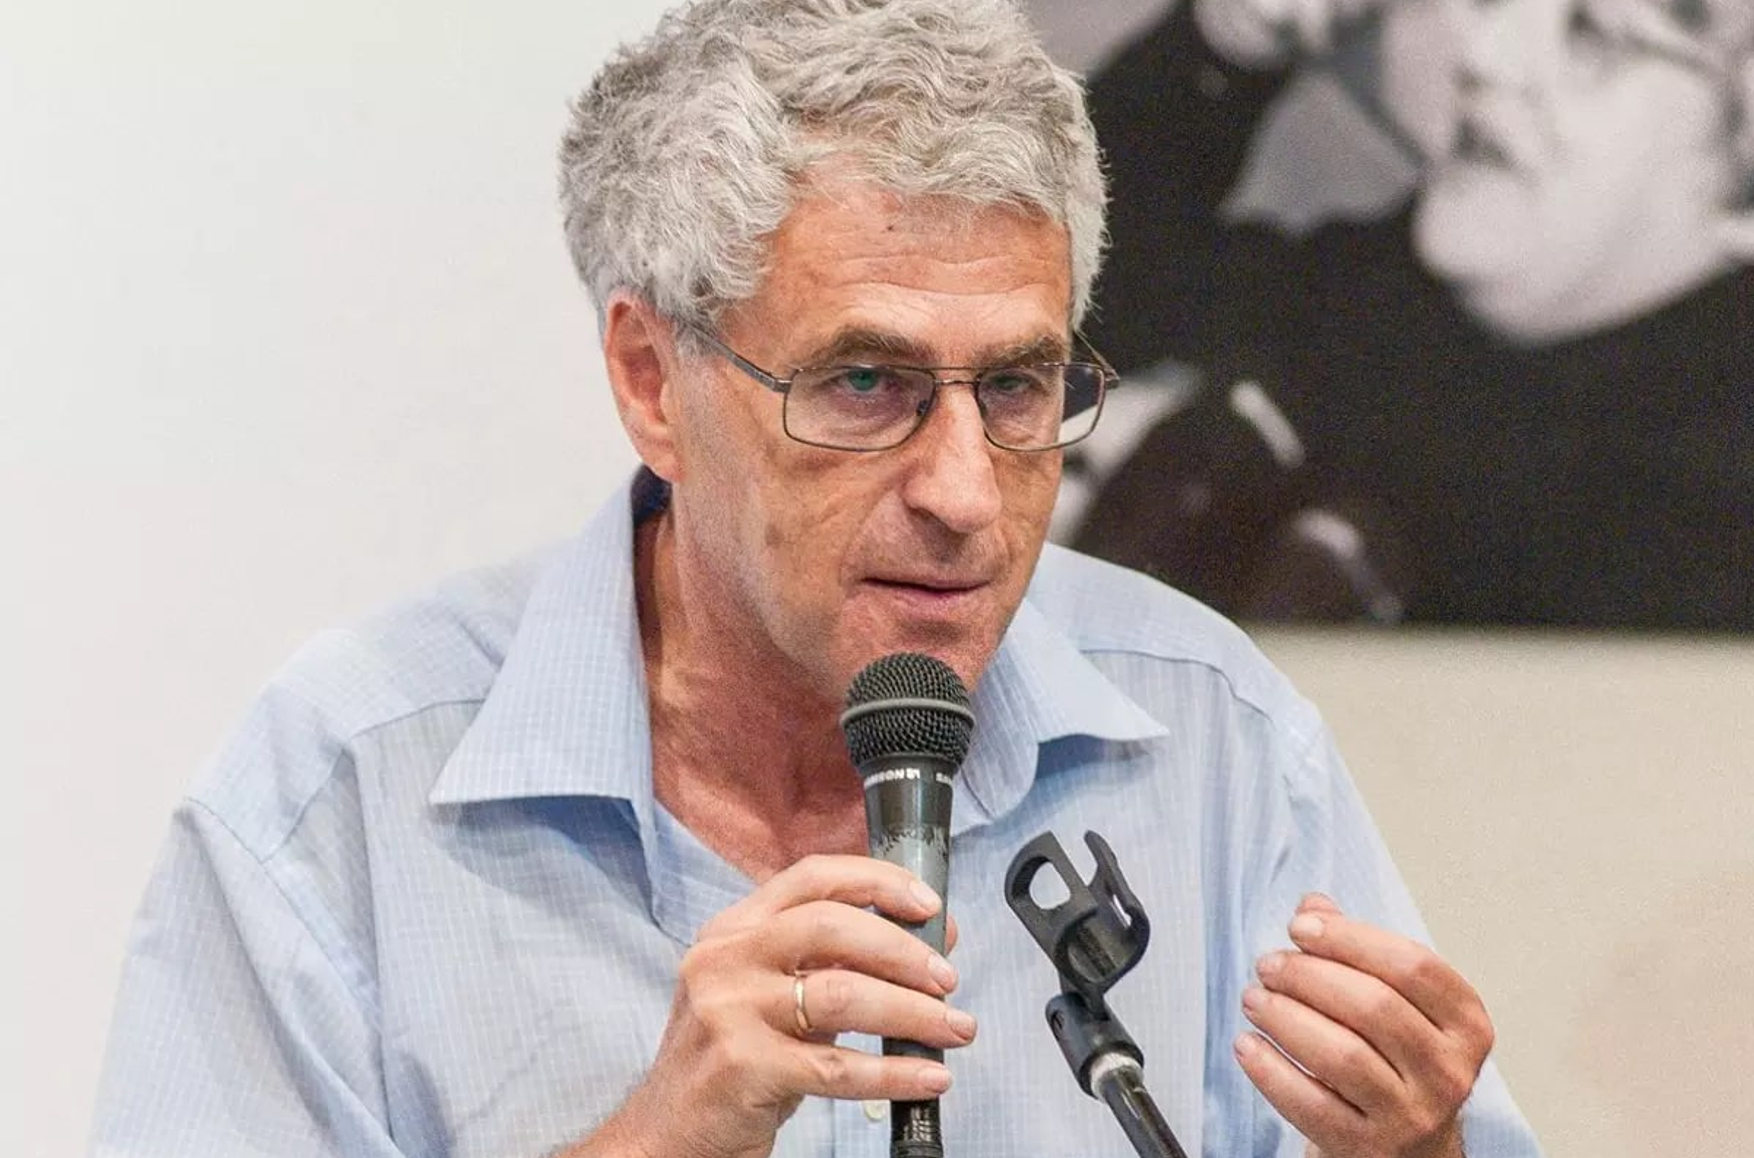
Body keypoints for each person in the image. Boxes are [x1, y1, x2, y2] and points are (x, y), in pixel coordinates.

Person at [88, 2, 1543, 1156]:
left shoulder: (1220, 744)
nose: (963, 492)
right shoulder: (341, 789)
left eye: (1017, 387)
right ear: (650, 379)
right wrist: (658, 1140)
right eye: (863, 383)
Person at [1070, 0, 1754, 629]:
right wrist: (1229, 42)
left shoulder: (1702, 549)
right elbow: (1069, 297)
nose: (1485, 53)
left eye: (1594, 35)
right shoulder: (1392, 296)